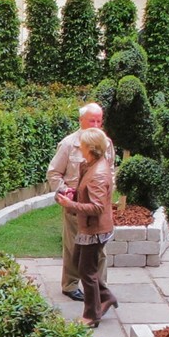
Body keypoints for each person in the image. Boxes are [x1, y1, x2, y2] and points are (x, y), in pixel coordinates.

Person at [47, 102, 115, 301]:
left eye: (99, 121)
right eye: (91, 120)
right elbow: (53, 173)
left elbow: (110, 170)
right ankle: (70, 285)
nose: (95, 124)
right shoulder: (69, 144)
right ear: (81, 121)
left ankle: (100, 290)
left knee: (99, 249)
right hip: (74, 207)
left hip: (98, 207)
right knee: (73, 248)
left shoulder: (106, 143)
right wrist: (63, 192)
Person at [54, 128, 119, 328]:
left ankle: (92, 315)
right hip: (89, 228)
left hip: (95, 230)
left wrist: (70, 205)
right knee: (78, 262)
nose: (79, 146)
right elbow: (88, 193)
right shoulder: (91, 164)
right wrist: (75, 194)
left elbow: (97, 207)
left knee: (87, 272)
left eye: (82, 144)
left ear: (89, 148)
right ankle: (106, 297)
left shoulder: (98, 174)